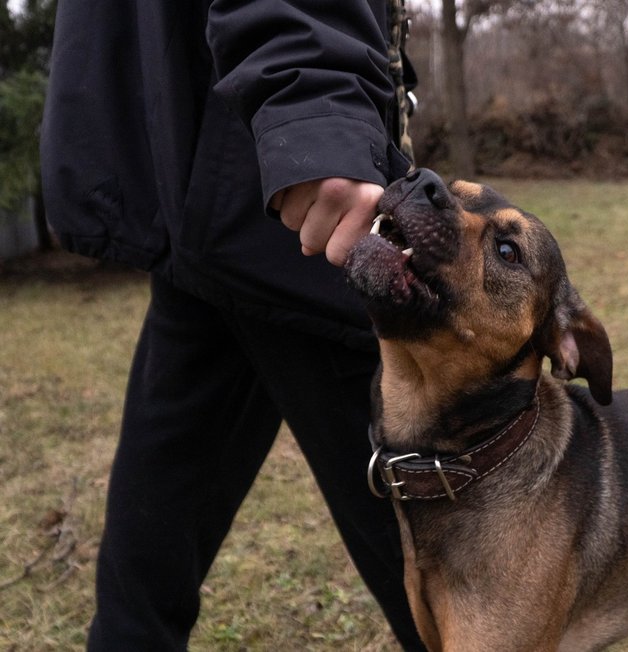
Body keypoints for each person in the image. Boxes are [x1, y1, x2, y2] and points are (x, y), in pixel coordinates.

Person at [40, 1, 423, 649]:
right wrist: (319, 109)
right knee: (449, 568)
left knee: (144, 584)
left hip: (204, 170)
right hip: (279, 183)